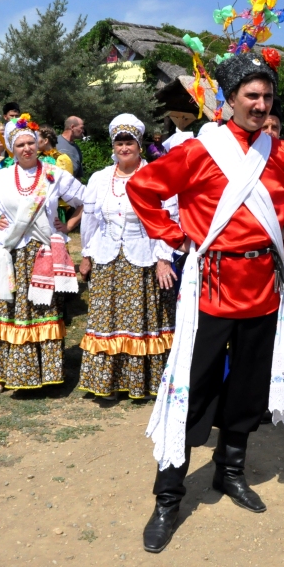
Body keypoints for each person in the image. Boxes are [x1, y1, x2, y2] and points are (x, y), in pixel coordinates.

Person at [126, 50, 284, 553]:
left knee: (247, 390)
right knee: (189, 390)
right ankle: (168, 497)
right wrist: (174, 234)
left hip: (264, 287)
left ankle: (229, 471)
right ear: (231, 100)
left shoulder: (281, 153)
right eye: (251, 96)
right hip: (211, 289)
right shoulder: (200, 150)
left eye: (267, 96)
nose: (261, 104)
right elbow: (143, 187)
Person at [0, 115, 85, 393]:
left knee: (43, 309)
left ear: (38, 145)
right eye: (20, 145)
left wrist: (70, 224)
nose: (27, 148)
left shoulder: (54, 175)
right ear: (12, 149)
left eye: (31, 143)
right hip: (11, 255)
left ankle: (42, 372)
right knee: (3, 309)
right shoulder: (1, 177)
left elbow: (86, 200)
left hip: (42, 253)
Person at [78, 114, 177, 401]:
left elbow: (169, 219)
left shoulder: (155, 175)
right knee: (107, 320)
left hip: (144, 259)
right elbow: (91, 222)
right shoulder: (99, 178)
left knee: (141, 321)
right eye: (119, 143)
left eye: (129, 143)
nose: (124, 148)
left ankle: (142, 382)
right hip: (108, 259)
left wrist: (163, 258)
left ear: (139, 145)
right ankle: (108, 382)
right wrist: (87, 255)